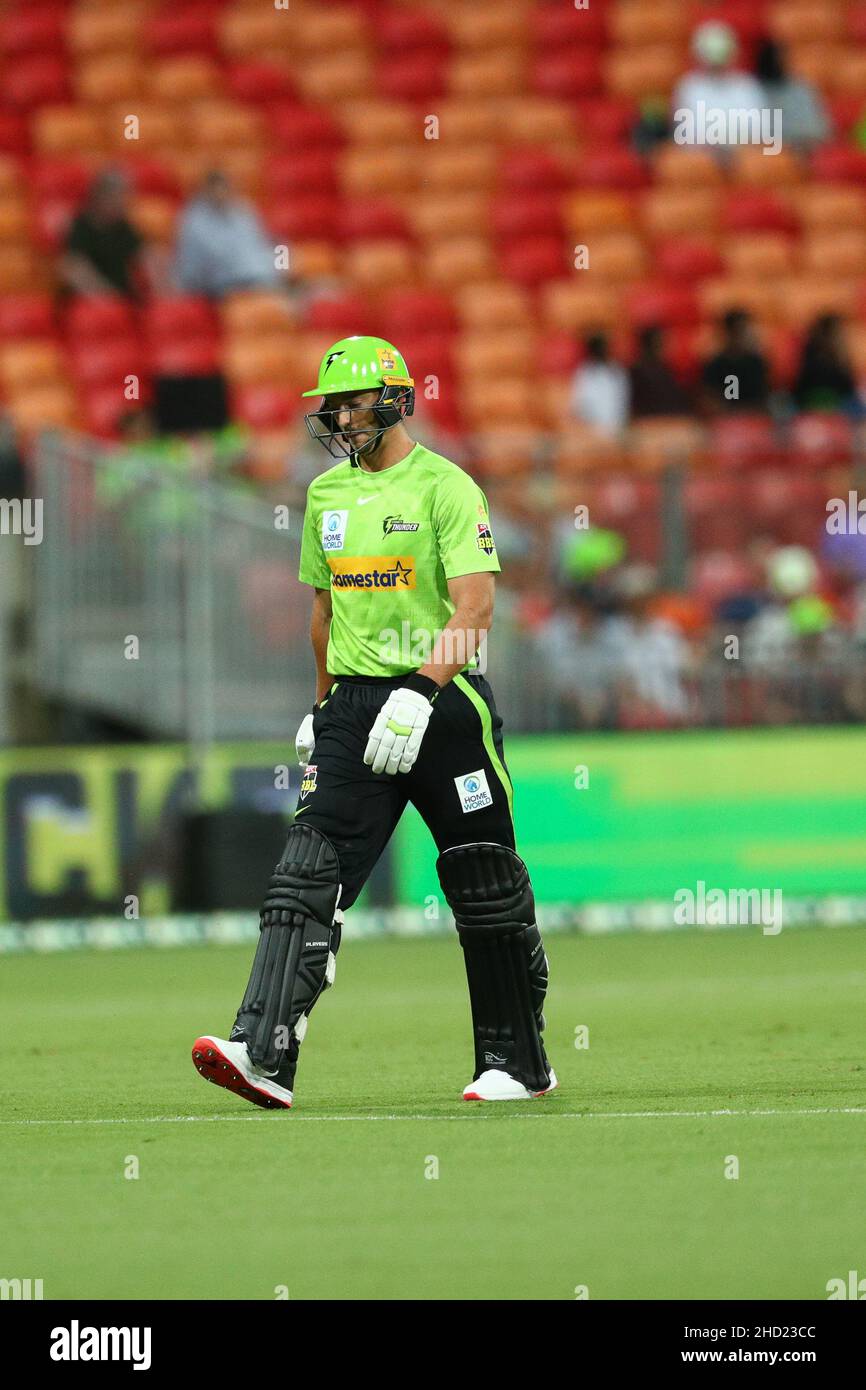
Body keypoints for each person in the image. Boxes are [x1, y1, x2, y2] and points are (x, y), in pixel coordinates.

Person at [192, 335, 557, 1107]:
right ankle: (263, 1052)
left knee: (482, 878)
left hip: (444, 702)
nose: (335, 417)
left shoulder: (446, 488)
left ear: (394, 400)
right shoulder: (326, 496)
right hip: (355, 708)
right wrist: (321, 702)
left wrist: (421, 690)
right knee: (306, 870)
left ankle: (517, 1063)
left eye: (349, 402)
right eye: (330, 406)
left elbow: (476, 609)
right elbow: (323, 612)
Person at [174, 169, 284, 300]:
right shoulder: (193, 222)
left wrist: (283, 268)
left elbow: (275, 244)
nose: (221, 193)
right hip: (230, 287)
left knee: (309, 295)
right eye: (216, 189)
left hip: (268, 280)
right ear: (206, 191)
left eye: (225, 187)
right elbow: (191, 273)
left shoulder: (245, 210)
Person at [671, 21, 765, 151]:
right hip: (703, 157)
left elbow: (755, 129)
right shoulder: (689, 87)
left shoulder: (746, 86)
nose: (716, 66)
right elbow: (688, 133)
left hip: (742, 155)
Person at [60, 169, 147, 299]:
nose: (123, 203)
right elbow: (73, 267)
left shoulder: (123, 227)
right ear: (102, 197)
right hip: (90, 303)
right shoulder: (80, 226)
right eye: (119, 197)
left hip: (122, 300)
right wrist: (107, 297)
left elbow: (145, 255)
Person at [754, 39, 830, 152]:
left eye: (782, 59)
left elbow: (818, 129)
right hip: (772, 151)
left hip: (805, 147)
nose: (779, 63)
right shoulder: (751, 90)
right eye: (775, 59)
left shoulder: (801, 89)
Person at [700, 309, 770, 415]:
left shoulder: (756, 363)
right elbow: (710, 398)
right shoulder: (716, 364)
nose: (747, 336)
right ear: (729, 333)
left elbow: (764, 397)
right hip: (725, 419)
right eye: (741, 331)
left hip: (753, 418)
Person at [793, 314, 862, 415]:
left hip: (813, 402)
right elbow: (846, 385)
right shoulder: (834, 357)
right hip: (830, 404)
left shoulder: (810, 351)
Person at [569, 332, 629, 435]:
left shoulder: (617, 371)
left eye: (603, 348)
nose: (602, 352)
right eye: (598, 349)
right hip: (591, 430)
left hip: (617, 427)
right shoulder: (584, 373)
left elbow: (623, 401)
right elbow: (579, 406)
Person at [628, 325, 693, 419]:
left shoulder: (666, 369)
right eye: (664, 342)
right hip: (650, 423)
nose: (670, 347)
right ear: (654, 344)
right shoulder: (638, 371)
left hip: (671, 421)